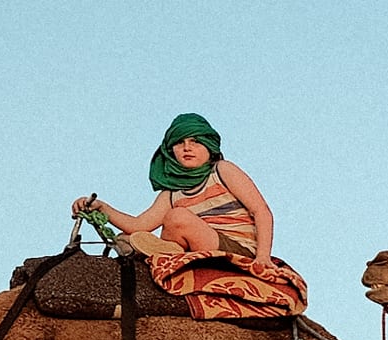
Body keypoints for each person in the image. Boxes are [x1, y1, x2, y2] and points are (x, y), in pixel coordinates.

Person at [72, 113, 277, 272]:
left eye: (195, 141)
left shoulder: (223, 170)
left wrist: (263, 257)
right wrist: (102, 208)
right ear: (171, 151)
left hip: (235, 247)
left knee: (176, 216)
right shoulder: (172, 193)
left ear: (209, 146)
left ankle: (161, 251)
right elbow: (139, 225)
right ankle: (168, 251)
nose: (187, 148)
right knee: (131, 234)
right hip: (198, 246)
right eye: (180, 143)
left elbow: (261, 211)